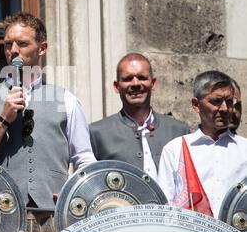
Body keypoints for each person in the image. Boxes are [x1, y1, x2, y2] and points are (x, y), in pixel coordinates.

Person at [0, 12, 96, 232]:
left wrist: (75, 195)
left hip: (54, 218)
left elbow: (84, 160)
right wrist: (3, 120)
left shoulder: (67, 100)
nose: (13, 50)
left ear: (42, 48)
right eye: (8, 44)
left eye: (22, 44)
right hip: (0, 217)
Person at [157, 70, 247, 218]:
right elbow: (164, 207)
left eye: (229, 101)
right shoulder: (175, 150)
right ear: (196, 104)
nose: (225, 108)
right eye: (216, 101)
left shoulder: (244, 150)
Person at [89, 53, 190, 181]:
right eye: (128, 78)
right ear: (116, 86)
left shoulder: (178, 131)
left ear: (153, 83)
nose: (136, 83)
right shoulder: (97, 133)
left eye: (142, 77)